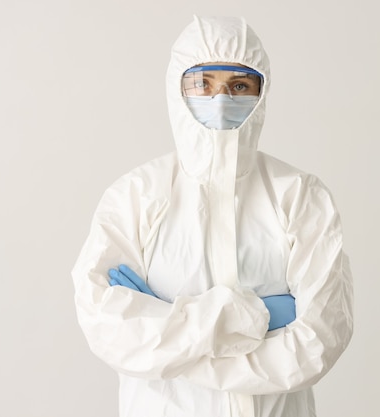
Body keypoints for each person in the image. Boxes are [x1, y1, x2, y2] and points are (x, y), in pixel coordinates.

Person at [72, 15, 354, 417]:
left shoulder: (300, 195)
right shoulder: (135, 196)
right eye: (202, 85)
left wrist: (171, 329)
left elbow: (318, 344)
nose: (220, 100)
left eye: (239, 86)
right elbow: (110, 330)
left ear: (262, 93)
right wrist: (255, 316)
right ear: (177, 90)